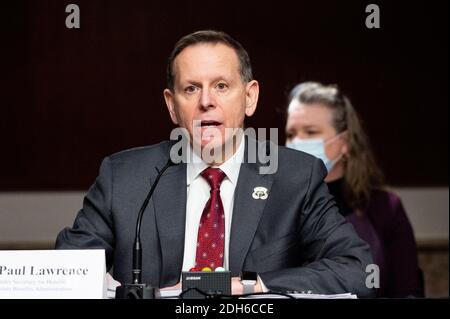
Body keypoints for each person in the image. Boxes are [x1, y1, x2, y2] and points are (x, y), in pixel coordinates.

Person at [56, 31, 374, 297]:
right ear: (172, 105)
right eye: (191, 88)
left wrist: (252, 285)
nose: (206, 101)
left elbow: (357, 269)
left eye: (221, 86)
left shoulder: (294, 176)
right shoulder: (124, 177)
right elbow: (65, 273)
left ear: (250, 97)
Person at [285, 82, 423, 297]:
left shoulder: (386, 209)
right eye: (291, 134)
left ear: (345, 142)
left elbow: (408, 291)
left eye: (310, 132)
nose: (297, 141)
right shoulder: (274, 208)